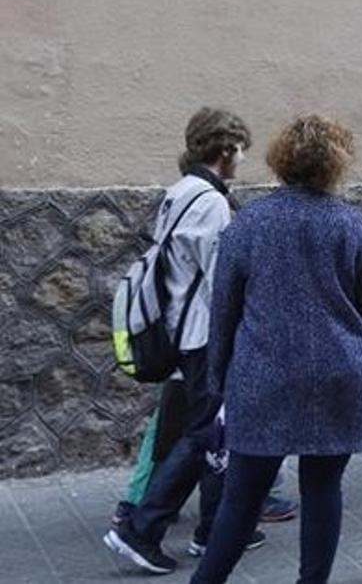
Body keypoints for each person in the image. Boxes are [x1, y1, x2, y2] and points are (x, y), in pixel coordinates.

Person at [189, 116, 362, 583]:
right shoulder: (352, 226)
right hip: (341, 373)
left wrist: (217, 380)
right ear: (336, 164)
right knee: (323, 488)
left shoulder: (248, 224)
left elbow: (223, 311)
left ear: (281, 159)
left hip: (262, 375)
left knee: (242, 495)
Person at [104, 108, 259, 575]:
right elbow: (220, 280)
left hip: (181, 330)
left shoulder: (179, 192)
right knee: (203, 435)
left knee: (214, 432)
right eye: (240, 150)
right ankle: (141, 529)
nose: (241, 160)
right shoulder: (210, 202)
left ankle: (214, 528)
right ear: (226, 149)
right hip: (203, 335)